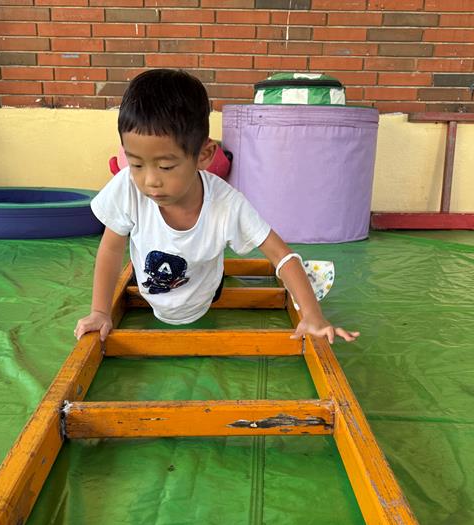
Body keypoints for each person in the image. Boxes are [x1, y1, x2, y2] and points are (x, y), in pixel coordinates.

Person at [73, 68, 359, 344]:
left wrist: (311, 314)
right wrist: (100, 311)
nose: (150, 181)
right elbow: (111, 248)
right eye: (136, 164)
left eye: (166, 166)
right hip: (151, 283)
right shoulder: (127, 187)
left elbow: (281, 255)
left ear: (204, 155)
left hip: (207, 293)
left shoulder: (226, 204)